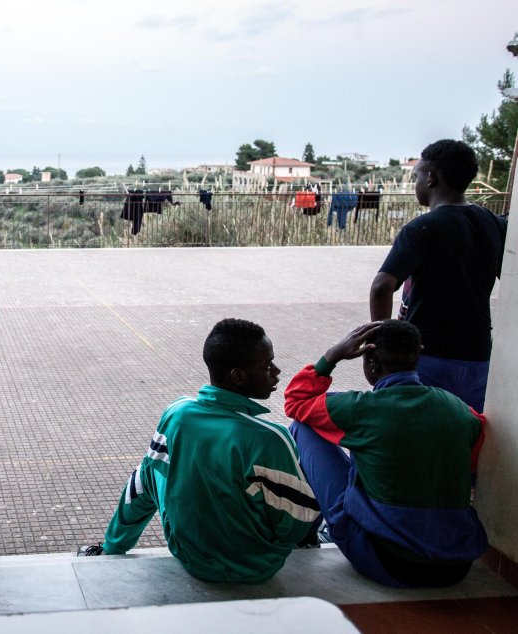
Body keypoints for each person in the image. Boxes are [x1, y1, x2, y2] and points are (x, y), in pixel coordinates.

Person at [78, 319, 320, 584]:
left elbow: (141, 485)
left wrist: (113, 549)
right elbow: (296, 524)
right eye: (267, 365)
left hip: (189, 558)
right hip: (255, 569)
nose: (276, 371)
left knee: (151, 467)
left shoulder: (177, 414)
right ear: (237, 376)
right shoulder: (270, 437)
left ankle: (110, 546)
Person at [284, 320, 488, 587]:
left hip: (390, 563)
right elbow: (471, 463)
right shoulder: (460, 410)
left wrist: (332, 356)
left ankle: (307, 535)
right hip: (457, 566)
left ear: (370, 364)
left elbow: (296, 401)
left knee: (304, 426)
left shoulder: (361, 408)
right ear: (419, 353)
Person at [369, 139, 507, 411]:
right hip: (478, 356)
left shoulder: (422, 228)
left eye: (417, 175)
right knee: (470, 432)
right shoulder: (495, 224)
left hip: (428, 355)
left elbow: (382, 286)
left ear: (431, 178)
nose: (416, 182)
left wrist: (382, 344)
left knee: (422, 433)